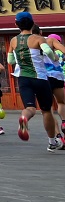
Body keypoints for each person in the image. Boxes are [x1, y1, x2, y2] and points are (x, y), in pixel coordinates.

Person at [9, 12, 62, 148]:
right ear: (32, 23)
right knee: (46, 111)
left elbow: (10, 60)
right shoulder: (38, 39)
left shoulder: (13, 41)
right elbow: (48, 52)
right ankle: (51, 141)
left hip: (23, 79)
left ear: (16, 24)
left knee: (30, 108)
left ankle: (24, 118)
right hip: (40, 78)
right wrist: (55, 58)